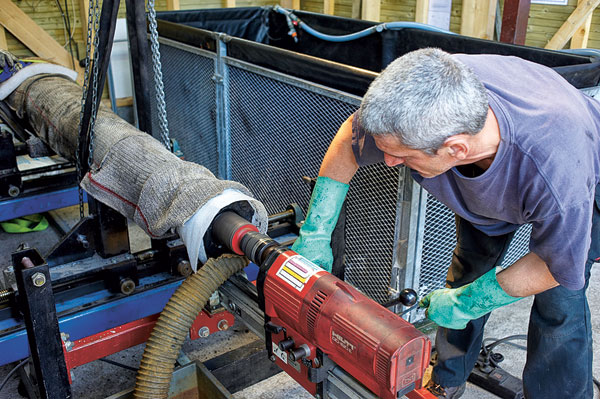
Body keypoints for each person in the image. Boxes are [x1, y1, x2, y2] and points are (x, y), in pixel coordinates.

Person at [291, 48, 600, 399]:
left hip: (587, 178)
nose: (389, 162)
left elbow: (553, 267)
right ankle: (448, 378)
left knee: (559, 299)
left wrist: (469, 302)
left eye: (403, 156)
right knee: (470, 269)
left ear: (455, 149)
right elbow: (351, 138)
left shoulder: (557, 169)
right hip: (500, 176)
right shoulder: (419, 103)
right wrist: (316, 232)